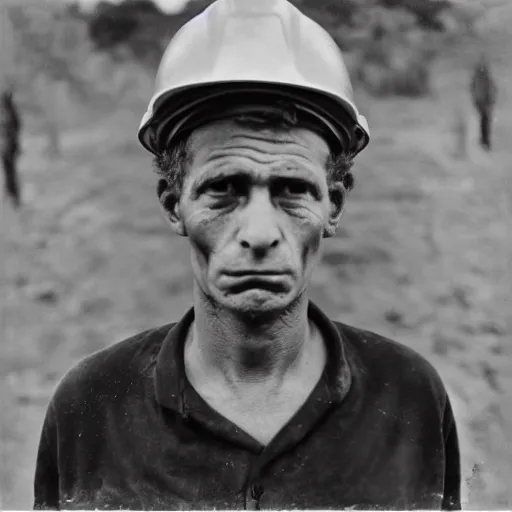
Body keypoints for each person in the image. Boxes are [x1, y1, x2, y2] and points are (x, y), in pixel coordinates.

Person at [33, 0, 461, 509]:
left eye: (292, 190)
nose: (259, 232)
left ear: (334, 204)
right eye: (224, 189)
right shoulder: (89, 409)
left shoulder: (410, 398)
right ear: (174, 205)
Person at [470, 54, 497, 151]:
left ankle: (485, 141)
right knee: (484, 121)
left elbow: (492, 89)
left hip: (484, 102)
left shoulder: (484, 77)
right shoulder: (481, 77)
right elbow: (473, 88)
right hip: (481, 102)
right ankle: (484, 141)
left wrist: (491, 101)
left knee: (485, 121)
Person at [1, 88, 22, 208]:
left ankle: (13, 196)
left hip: (9, 148)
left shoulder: (10, 114)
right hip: (8, 147)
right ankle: (11, 195)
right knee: (9, 172)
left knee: (10, 172)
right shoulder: (11, 113)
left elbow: (14, 130)